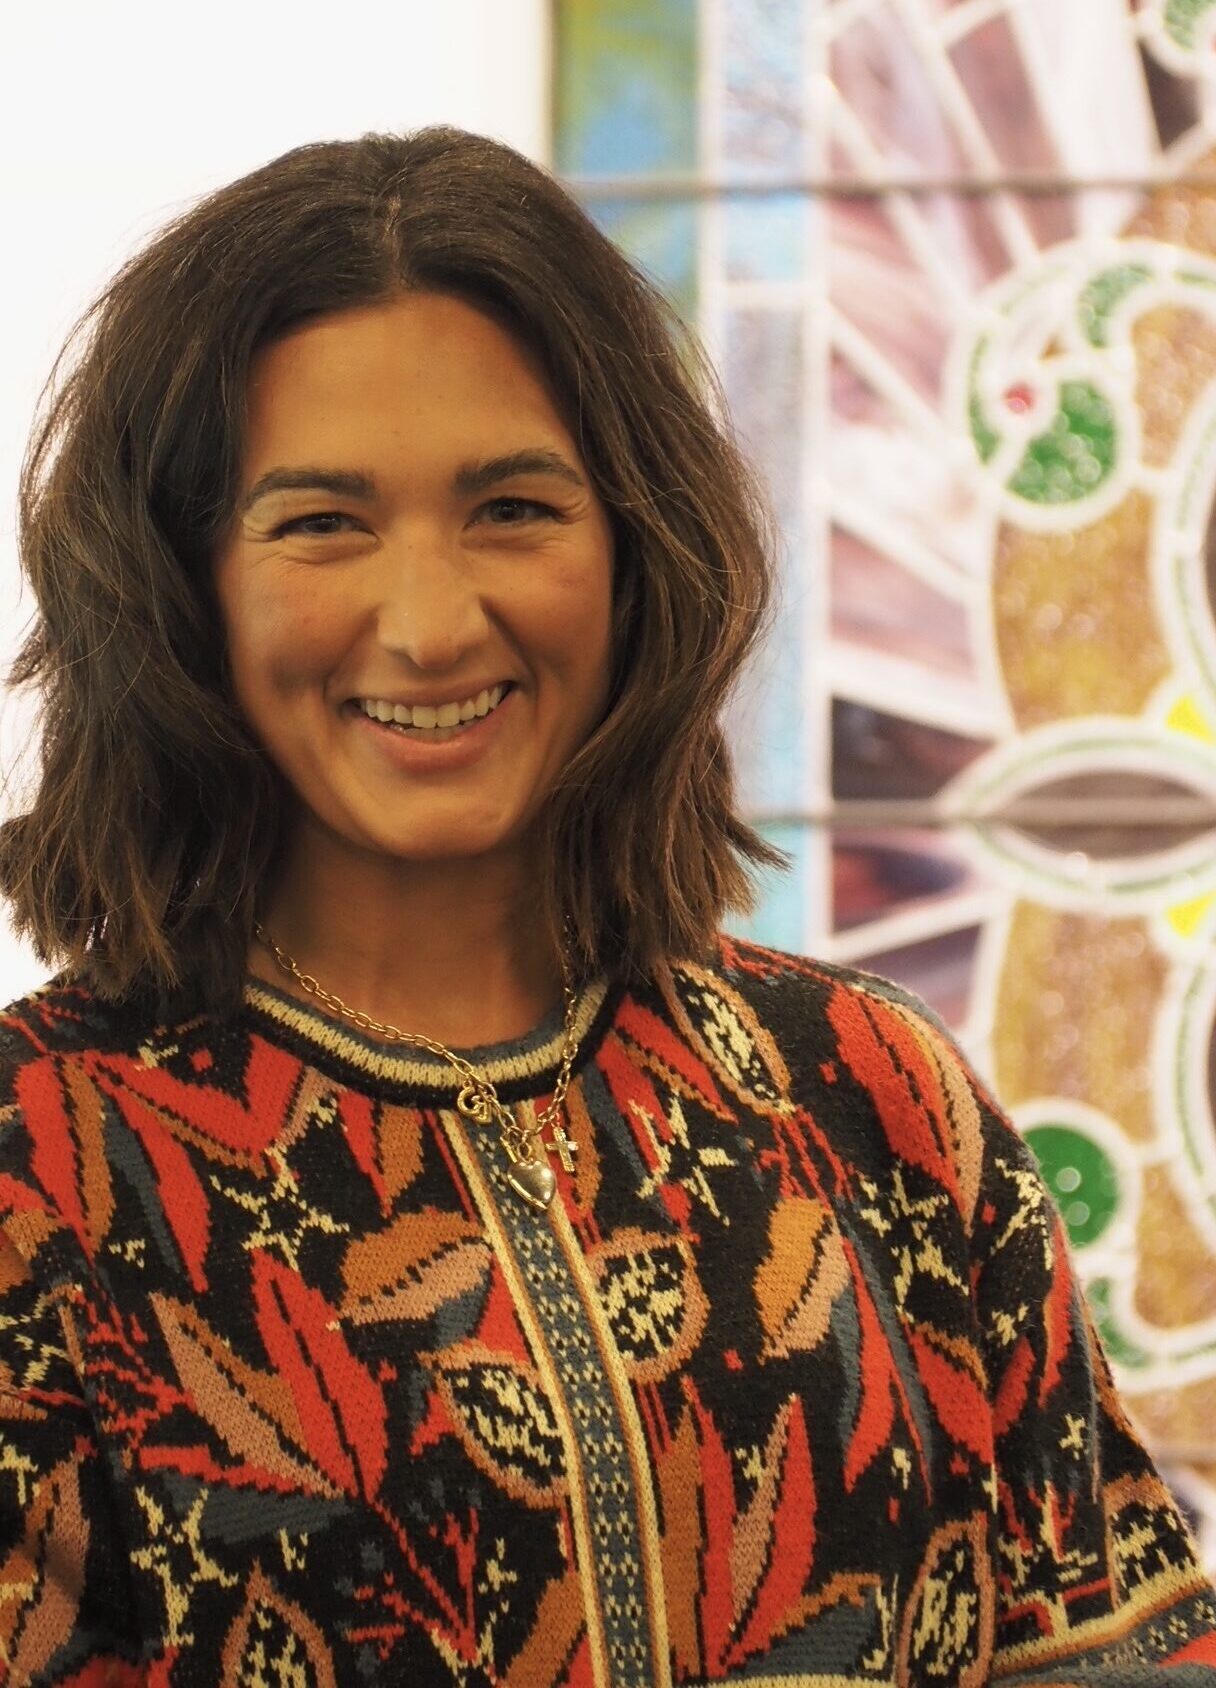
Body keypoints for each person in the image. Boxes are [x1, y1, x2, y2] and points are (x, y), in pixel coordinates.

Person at [0, 127, 1212, 1688]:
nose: (433, 624)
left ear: (638, 552)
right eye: (320, 523)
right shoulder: (42, 1170)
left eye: (514, 508)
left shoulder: (872, 1098)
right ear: (176, 585)